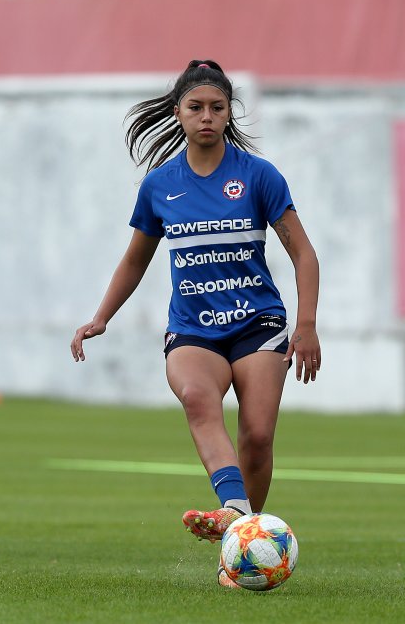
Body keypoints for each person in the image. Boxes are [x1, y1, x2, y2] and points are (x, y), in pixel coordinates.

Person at [70, 60, 320, 588]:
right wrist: (101, 317)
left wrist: (306, 325)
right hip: (193, 330)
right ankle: (236, 514)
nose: (207, 116)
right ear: (178, 112)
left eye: (217, 107)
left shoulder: (259, 176)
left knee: (257, 436)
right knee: (197, 397)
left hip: (259, 325)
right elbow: (135, 259)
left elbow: (303, 253)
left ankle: (239, 546)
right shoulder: (160, 185)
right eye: (196, 107)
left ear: (229, 113)